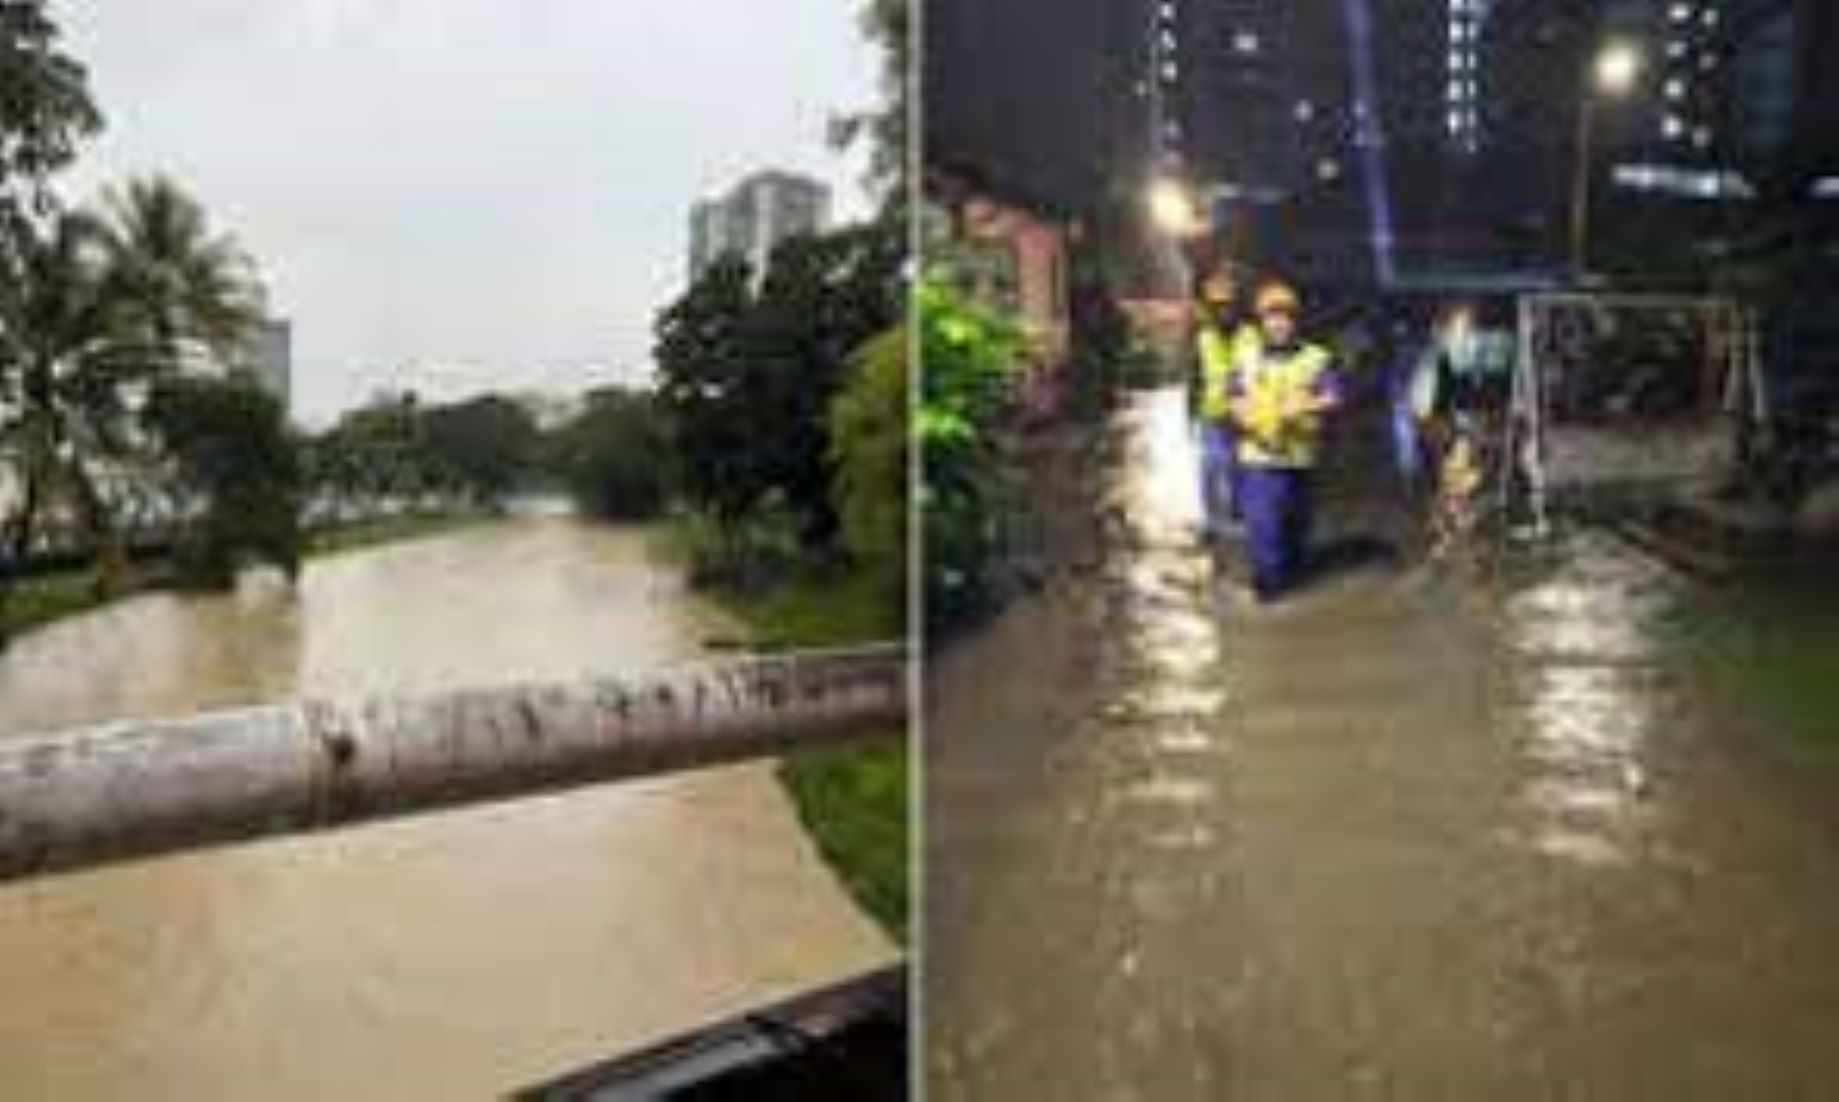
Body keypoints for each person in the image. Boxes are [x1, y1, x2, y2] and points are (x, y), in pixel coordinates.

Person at [1226, 280, 1345, 602]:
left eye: (1286, 317)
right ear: (1261, 322)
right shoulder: (1246, 357)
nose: (1279, 323)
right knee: (1263, 526)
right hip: (1259, 460)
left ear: (1296, 321)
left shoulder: (1316, 357)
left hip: (1300, 459)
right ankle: (1268, 592)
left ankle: (1289, 582)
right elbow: (1233, 396)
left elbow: (1335, 396)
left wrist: (1303, 406)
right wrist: (1246, 415)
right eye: (1271, 317)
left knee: (1295, 530)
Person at [1191, 266, 1259, 545]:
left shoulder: (1250, 335)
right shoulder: (1202, 337)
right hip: (1212, 414)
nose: (1223, 311)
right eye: (1217, 306)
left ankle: (1240, 514)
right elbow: (1194, 374)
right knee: (1210, 466)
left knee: (1239, 467)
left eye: (1227, 306)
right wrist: (1190, 412)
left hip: (1244, 415)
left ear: (1236, 306)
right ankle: (1211, 522)